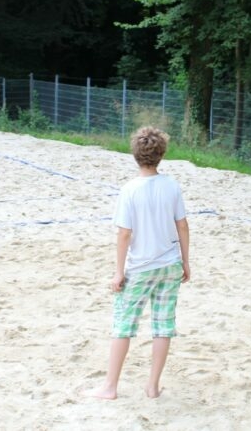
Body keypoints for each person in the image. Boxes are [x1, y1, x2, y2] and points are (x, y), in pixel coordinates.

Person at [86, 126, 191, 400]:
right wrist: (185, 261)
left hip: (141, 267)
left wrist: (118, 272)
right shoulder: (171, 186)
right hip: (169, 264)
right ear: (161, 154)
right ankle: (152, 386)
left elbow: (124, 234)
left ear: (135, 154)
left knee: (123, 325)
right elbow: (182, 226)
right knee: (163, 326)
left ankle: (110, 386)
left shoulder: (130, 190)